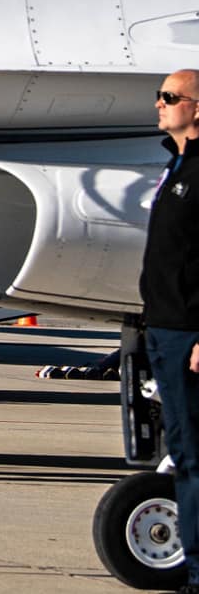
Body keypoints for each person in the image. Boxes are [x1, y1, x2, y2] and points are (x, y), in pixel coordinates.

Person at [141, 67, 199, 577]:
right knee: (183, 449)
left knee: (195, 454)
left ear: (197, 108)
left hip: (189, 333)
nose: (159, 103)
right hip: (164, 327)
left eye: (170, 96)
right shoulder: (176, 164)